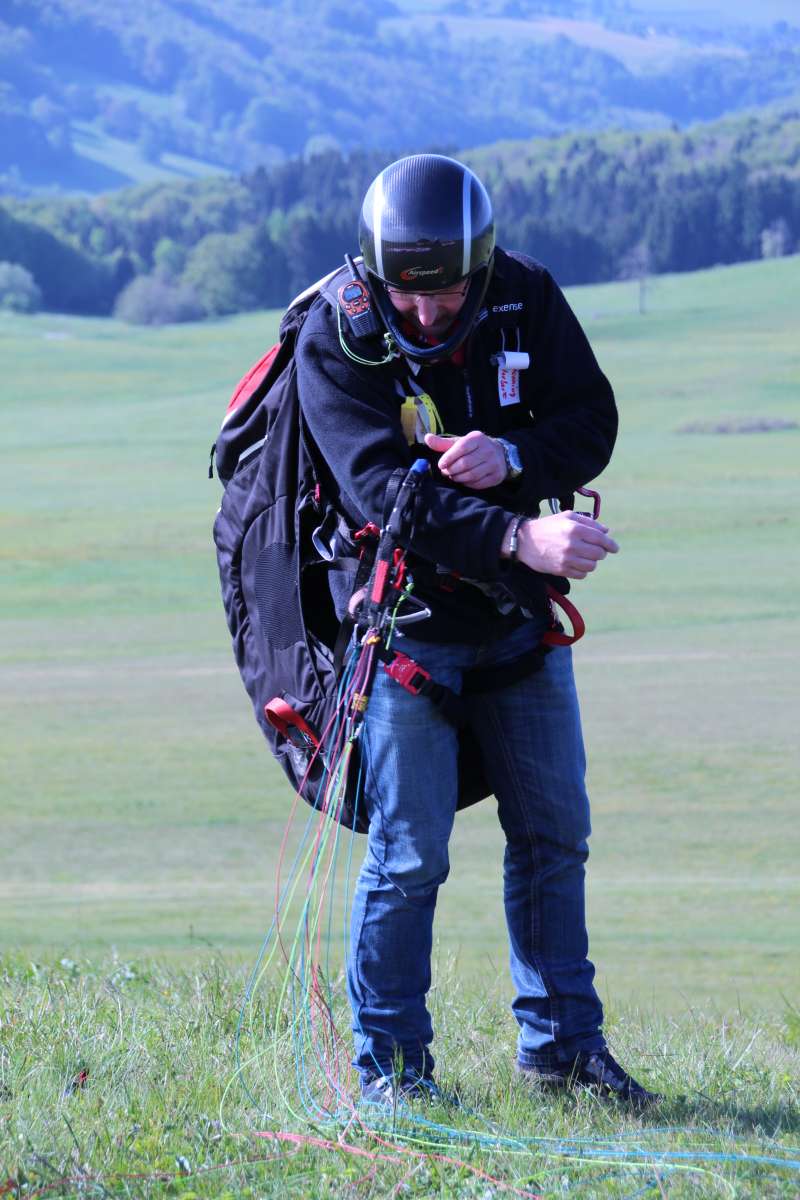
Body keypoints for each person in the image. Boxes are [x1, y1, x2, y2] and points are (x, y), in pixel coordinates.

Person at [294, 154, 659, 1107]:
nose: (425, 314)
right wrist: (518, 538)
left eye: (447, 293)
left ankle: (563, 1052)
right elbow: (379, 493)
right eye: (406, 296)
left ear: (481, 268)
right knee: (410, 856)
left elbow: (592, 418)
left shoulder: (525, 296)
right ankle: (392, 1077)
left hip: (514, 623)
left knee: (554, 834)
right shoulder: (338, 338)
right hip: (405, 632)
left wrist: (515, 456)